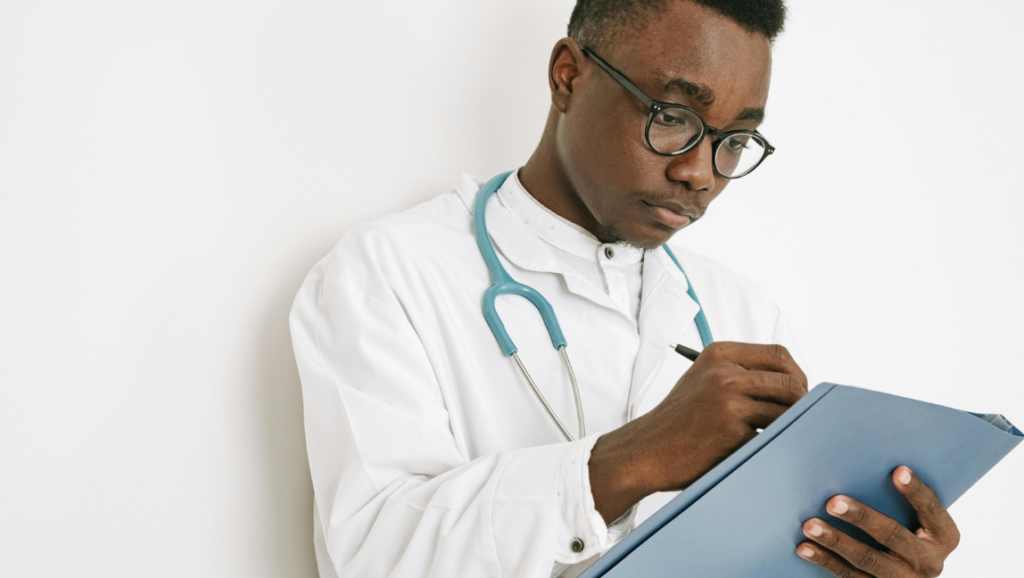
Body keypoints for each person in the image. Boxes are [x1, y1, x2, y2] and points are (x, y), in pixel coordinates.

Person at [290, 1, 961, 576]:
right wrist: (630, 461)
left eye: (736, 140)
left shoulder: (741, 313)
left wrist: (862, 559)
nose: (700, 172)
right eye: (672, 116)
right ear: (568, 76)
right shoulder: (389, 273)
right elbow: (373, 553)